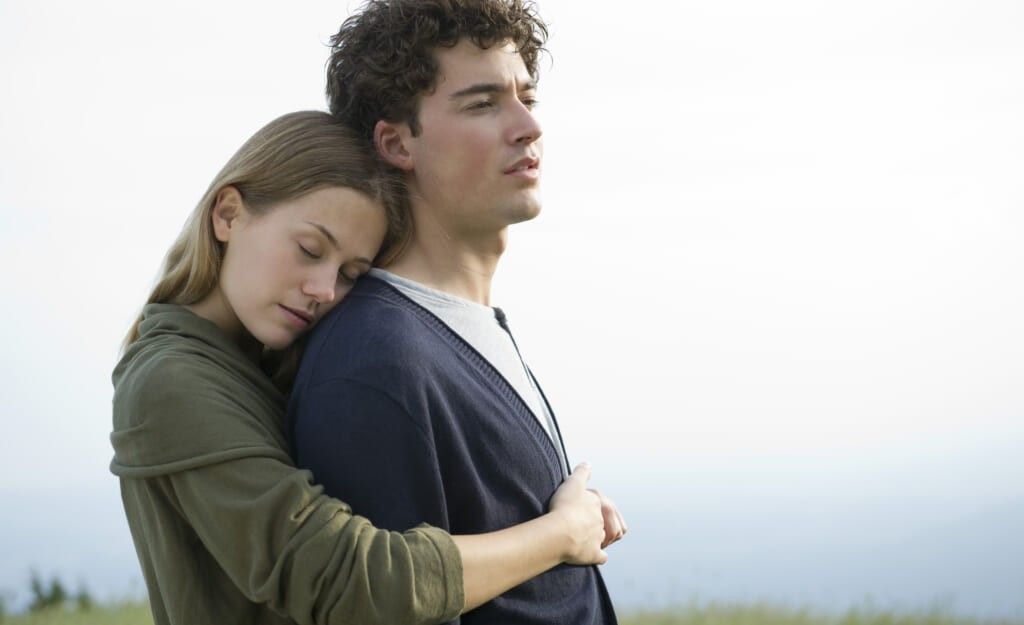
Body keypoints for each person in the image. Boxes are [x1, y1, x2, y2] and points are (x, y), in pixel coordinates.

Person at [110, 110, 610, 625]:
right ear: (228, 215)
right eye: (309, 249)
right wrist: (559, 535)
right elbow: (347, 580)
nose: (324, 290)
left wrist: (553, 509)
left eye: (350, 273)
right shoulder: (170, 381)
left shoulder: (262, 362)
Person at [289, 1, 624, 623]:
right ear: (396, 143)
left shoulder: (458, 328)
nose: (527, 126)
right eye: (483, 103)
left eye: (528, 96)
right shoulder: (376, 361)